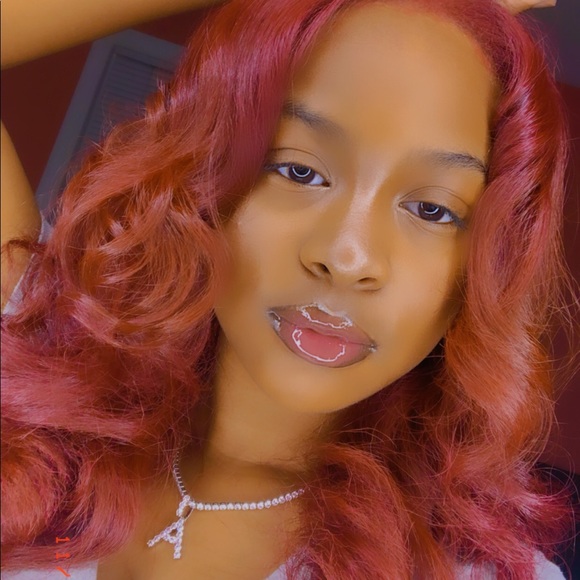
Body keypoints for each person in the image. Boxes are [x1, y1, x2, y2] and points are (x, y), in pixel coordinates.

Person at [1, 0, 574, 578]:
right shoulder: (38, 387)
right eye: (300, 171)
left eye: (431, 209)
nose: (348, 258)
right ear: (203, 180)